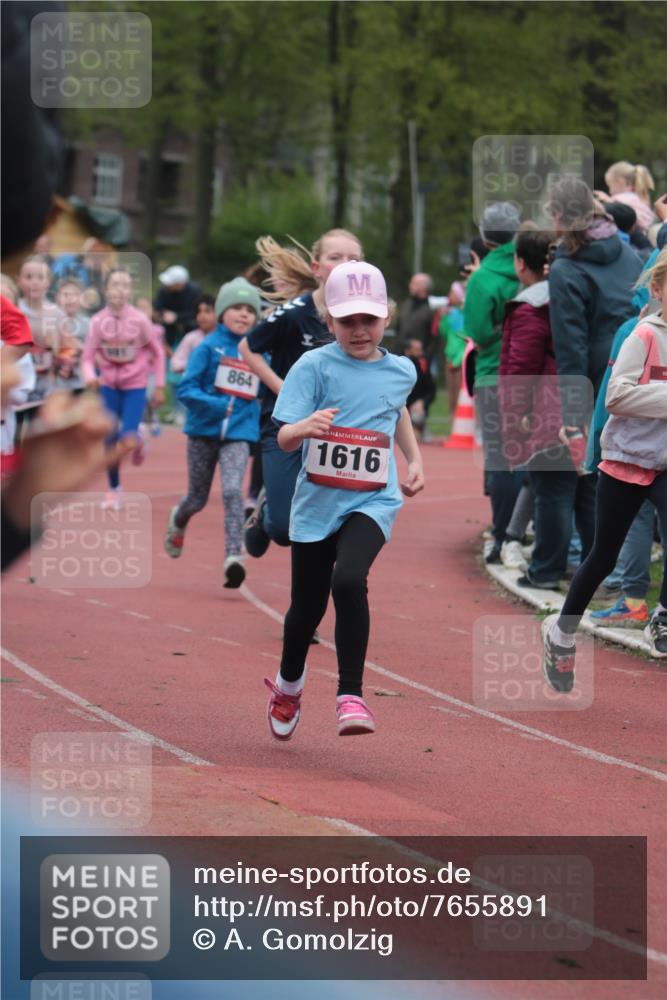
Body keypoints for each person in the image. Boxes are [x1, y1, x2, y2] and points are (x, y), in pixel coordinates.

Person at [264, 260, 424, 739]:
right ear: (329, 321)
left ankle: (350, 695)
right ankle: (289, 686)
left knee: (350, 580)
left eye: (368, 320)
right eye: (347, 321)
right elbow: (285, 436)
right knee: (305, 609)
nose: (359, 330)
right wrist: (304, 428)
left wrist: (413, 459)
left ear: (386, 318)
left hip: (372, 500)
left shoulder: (401, 371)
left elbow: (393, 412)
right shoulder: (312, 366)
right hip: (316, 504)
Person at [542, 249, 667, 689]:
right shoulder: (643, 336)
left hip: (666, 462)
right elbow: (616, 396)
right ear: (657, 289)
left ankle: (663, 618)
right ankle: (562, 632)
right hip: (627, 459)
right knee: (602, 556)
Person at [521, 178, 643, 588]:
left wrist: (574, 416)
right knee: (614, 482)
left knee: (571, 479)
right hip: (636, 370)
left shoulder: (567, 269)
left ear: (557, 217)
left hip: (593, 379)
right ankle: (612, 577)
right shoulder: (628, 253)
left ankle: (555, 572)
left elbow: (570, 345)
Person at [239, 228, 363, 558]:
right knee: (283, 530)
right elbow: (247, 347)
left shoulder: (361, 317)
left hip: (333, 431)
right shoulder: (295, 312)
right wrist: (282, 389)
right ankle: (265, 512)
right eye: (335, 257)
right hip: (285, 425)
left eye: (353, 259)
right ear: (316, 267)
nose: (344, 264)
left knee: (331, 522)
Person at [163, 278, 262, 588]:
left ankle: (233, 556)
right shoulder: (208, 347)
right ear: (221, 313)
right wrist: (217, 405)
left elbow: (268, 387)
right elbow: (186, 389)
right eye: (236, 308)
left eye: (250, 310)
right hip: (202, 432)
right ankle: (179, 517)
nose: (244, 315)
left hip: (239, 434)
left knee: (233, 490)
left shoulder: (260, 351)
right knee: (197, 498)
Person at [464, 201, 522, 564]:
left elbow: (478, 332)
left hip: (493, 374)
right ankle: (520, 533)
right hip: (533, 375)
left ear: (485, 239)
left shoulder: (483, 277)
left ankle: (501, 534)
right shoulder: (534, 267)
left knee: (501, 460)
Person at [496, 229, 556, 572]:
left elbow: (521, 364)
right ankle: (515, 537)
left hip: (540, 403)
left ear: (520, 263)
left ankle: (516, 540)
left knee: (543, 475)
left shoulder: (531, 305)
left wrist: (517, 410)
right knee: (546, 475)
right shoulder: (560, 294)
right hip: (560, 397)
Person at [82, 268, 165, 508]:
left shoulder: (139, 320)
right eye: (115, 284)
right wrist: (90, 377)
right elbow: (87, 358)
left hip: (135, 386)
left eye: (125, 285)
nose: (120, 289)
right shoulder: (97, 321)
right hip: (108, 385)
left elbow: (157, 353)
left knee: (126, 436)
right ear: (106, 290)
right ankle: (114, 489)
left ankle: (138, 437)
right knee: (108, 438)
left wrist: (159, 386)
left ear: (130, 291)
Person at [17, 255, 65, 402]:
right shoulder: (13, 311)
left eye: (41, 277)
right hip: (18, 384)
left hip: (48, 386)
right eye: (29, 277)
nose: (35, 282)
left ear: (49, 282)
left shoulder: (57, 314)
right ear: (18, 280)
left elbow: (64, 351)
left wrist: (55, 346)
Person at [595, 161, 656, 234]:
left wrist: (608, 201)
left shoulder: (620, 199)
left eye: (609, 185)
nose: (610, 191)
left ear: (619, 182)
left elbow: (620, 211)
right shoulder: (639, 197)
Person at [153, 265, 202, 349]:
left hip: (189, 327)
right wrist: (164, 314)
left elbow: (196, 312)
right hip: (168, 328)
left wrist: (177, 316)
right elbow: (157, 306)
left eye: (171, 283)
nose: (168, 285)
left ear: (180, 284)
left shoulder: (195, 292)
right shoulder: (163, 291)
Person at [53, 277, 89, 391]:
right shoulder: (49, 322)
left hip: (82, 384)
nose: (70, 299)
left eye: (75, 295)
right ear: (57, 298)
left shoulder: (89, 324)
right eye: (65, 295)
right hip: (55, 386)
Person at [438, 281, 466, 416]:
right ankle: (452, 428)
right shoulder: (451, 312)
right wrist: (443, 318)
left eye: (452, 293)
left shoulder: (467, 313)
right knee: (451, 397)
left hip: (462, 360)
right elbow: (444, 333)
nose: (449, 296)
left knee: (463, 396)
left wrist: (460, 359)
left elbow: (466, 338)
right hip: (450, 358)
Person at [395, 272, 436, 361]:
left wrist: (423, 354)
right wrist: (408, 344)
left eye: (414, 283)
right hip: (401, 356)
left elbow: (434, 338)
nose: (410, 286)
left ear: (424, 287)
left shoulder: (432, 308)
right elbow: (398, 329)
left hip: (421, 360)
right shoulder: (406, 304)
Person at [403, 337, 436, 440]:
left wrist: (422, 402)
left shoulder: (423, 367)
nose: (420, 353)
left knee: (417, 415)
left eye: (421, 350)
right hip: (401, 407)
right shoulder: (400, 368)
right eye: (417, 350)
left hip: (416, 408)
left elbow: (431, 390)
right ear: (408, 351)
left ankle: (419, 428)